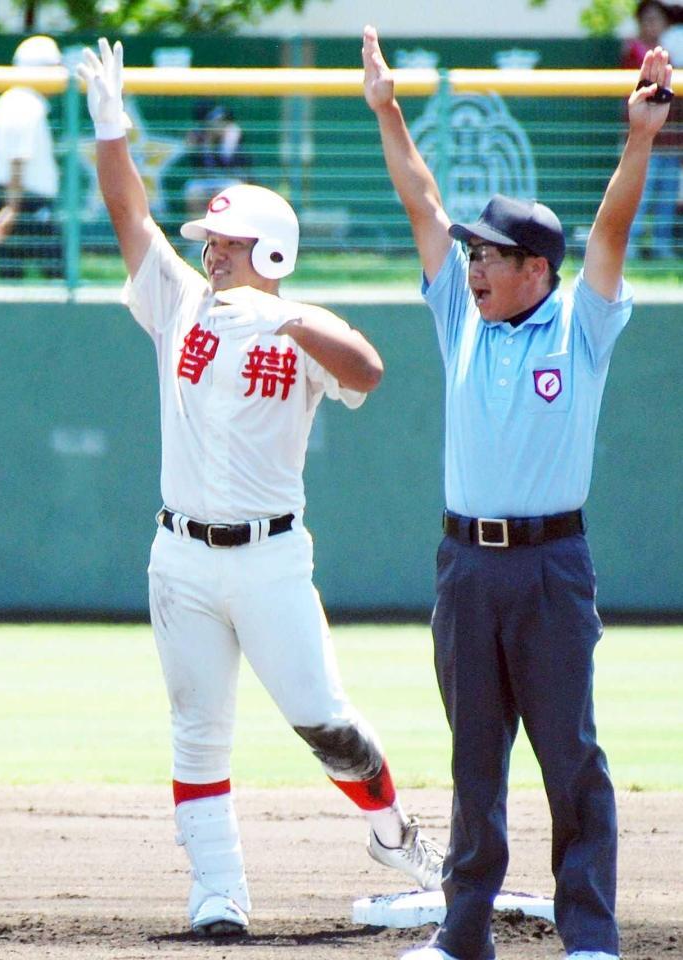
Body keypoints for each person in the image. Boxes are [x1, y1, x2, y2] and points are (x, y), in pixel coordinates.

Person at [76, 37, 444, 938]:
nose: (211, 253)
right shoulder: (179, 303)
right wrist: (111, 128)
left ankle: (395, 838)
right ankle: (219, 892)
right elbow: (129, 217)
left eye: (227, 242)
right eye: (210, 240)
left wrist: (287, 319)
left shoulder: (299, 324)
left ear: (269, 251)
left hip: (272, 556)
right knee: (197, 729)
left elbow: (368, 370)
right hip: (180, 553)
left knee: (325, 721)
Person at [362, 23, 673, 960]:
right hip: (465, 565)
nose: (472, 266)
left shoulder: (579, 326)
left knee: (570, 757)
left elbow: (610, 230)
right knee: (474, 761)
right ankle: (463, 936)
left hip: (550, 566)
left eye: (490, 256)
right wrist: (386, 111)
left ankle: (590, 937)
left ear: (537, 268)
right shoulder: (459, 317)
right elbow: (421, 199)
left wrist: (640, 136)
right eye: (471, 255)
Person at [0, 35, 63, 279]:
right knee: (57, 276)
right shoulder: (25, 105)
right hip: (25, 202)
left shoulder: (17, 101)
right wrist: (11, 209)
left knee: (13, 276)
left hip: (18, 200)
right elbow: (17, 159)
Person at [621, 1, 682, 257]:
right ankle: (629, 248)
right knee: (639, 196)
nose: (652, 25)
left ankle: (661, 246)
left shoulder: (672, 52)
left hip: (670, 140)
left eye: (657, 20)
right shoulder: (634, 50)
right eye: (647, 19)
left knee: (666, 197)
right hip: (643, 140)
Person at [183, 99, 249, 218]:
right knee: (193, 190)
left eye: (221, 121)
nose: (218, 124)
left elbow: (227, 163)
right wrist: (203, 143)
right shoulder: (200, 134)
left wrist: (217, 142)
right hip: (207, 180)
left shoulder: (232, 133)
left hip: (229, 179)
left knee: (230, 191)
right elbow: (197, 166)